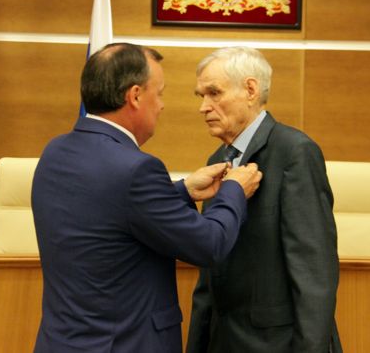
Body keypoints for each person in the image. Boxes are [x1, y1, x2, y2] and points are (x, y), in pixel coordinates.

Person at [31, 43, 262, 353]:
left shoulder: (54, 152)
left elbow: (107, 211)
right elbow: (209, 244)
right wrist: (234, 189)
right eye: (160, 93)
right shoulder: (137, 169)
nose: (162, 105)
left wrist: (182, 190)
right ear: (136, 96)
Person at [187, 47, 342, 353]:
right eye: (201, 96)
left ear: (250, 90)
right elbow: (209, 273)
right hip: (222, 341)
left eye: (214, 93)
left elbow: (313, 272)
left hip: (277, 344)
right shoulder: (217, 160)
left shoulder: (294, 152)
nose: (203, 107)